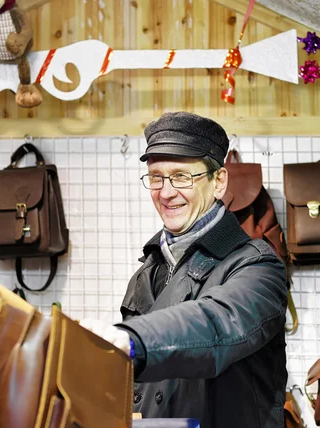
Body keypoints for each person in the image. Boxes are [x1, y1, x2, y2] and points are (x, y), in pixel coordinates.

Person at [80, 111, 288, 428]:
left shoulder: (257, 266)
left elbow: (216, 324)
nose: (165, 192)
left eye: (181, 177)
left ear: (218, 181)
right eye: (156, 177)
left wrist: (129, 341)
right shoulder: (149, 269)